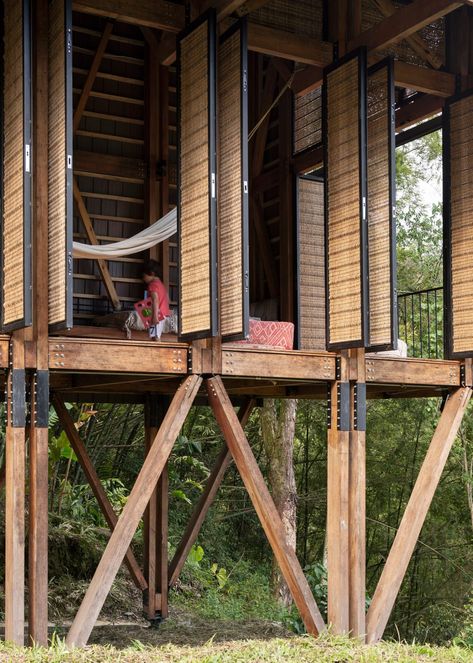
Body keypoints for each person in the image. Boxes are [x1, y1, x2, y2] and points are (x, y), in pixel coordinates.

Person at [142, 259, 171, 341]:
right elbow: (168, 299)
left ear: (151, 273)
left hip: (157, 314)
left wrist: (155, 316)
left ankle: (158, 352)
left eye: (144, 276)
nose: (143, 279)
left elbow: (155, 299)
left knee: (155, 337)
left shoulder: (152, 285)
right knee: (156, 335)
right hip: (163, 313)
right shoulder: (161, 285)